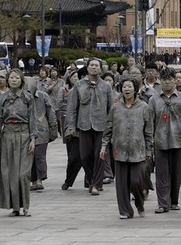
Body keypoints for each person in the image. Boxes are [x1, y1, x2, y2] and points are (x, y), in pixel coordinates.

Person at [1, 69, 54, 217]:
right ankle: (15, 207)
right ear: (7, 80)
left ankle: (26, 206)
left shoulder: (28, 97)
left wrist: (33, 139)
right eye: (11, 77)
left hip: (24, 136)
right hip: (7, 136)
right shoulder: (2, 98)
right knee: (10, 173)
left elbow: (32, 119)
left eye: (17, 78)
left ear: (21, 80)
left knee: (23, 174)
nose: (14, 80)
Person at [100, 78, 153, 219]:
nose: (127, 89)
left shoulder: (143, 107)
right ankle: (125, 211)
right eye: (124, 87)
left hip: (138, 150)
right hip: (119, 150)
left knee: (136, 181)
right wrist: (104, 146)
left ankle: (140, 204)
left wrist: (149, 149)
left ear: (135, 89)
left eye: (129, 86)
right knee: (121, 185)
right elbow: (108, 129)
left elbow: (148, 131)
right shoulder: (115, 107)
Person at [65, 59, 113, 196]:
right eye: (91, 65)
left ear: (100, 69)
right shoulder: (79, 85)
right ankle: (92, 179)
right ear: (87, 68)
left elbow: (111, 108)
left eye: (96, 65)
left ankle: (96, 184)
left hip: (101, 126)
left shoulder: (106, 86)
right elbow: (72, 108)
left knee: (100, 156)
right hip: (84, 125)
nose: (94, 67)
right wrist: (71, 126)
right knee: (85, 156)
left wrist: (111, 127)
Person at [148, 67, 181, 213]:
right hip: (159, 141)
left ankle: (174, 201)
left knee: (176, 174)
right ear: (160, 80)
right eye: (165, 79)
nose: (167, 82)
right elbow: (150, 122)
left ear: (175, 81)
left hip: (178, 141)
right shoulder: (153, 99)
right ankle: (162, 203)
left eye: (170, 79)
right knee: (161, 174)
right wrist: (149, 142)